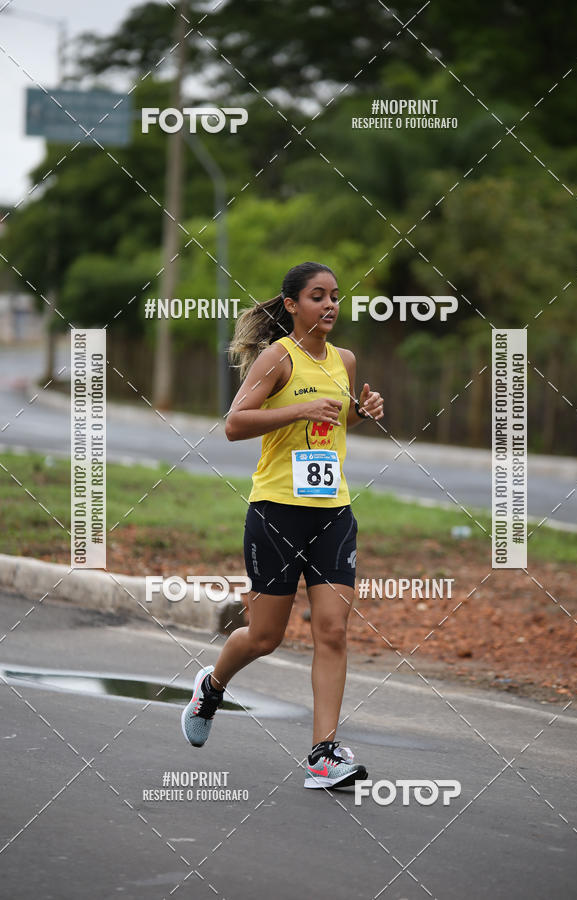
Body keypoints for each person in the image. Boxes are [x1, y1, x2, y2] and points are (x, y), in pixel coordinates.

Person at [181, 261, 384, 789]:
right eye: (318, 296)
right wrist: (296, 411)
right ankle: (212, 686)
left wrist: (360, 412)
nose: (330, 304)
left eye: (335, 296)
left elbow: (337, 418)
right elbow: (234, 423)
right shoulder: (278, 358)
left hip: (333, 511)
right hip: (277, 512)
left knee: (332, 630)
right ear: (293, 305)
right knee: (265, 636)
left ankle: (323, 754)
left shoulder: (344, 360)